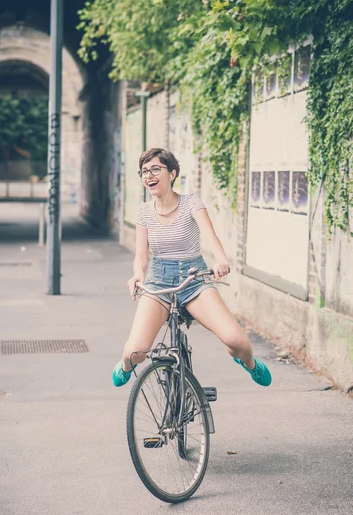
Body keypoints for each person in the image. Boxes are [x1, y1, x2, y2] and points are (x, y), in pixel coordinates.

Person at [112, 148, 272, 388]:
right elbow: (142, 255)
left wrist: (220, 260)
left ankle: (248, 363)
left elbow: (210, 235)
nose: (149, 175)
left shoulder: (191, 204)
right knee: (134, 353)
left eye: (156, 169)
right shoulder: (144, 212)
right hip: (158, 282)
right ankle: (125, 366)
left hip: (193, 280)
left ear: (172, 173)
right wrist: (137, 274)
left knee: (237, 341)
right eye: (144, 171)